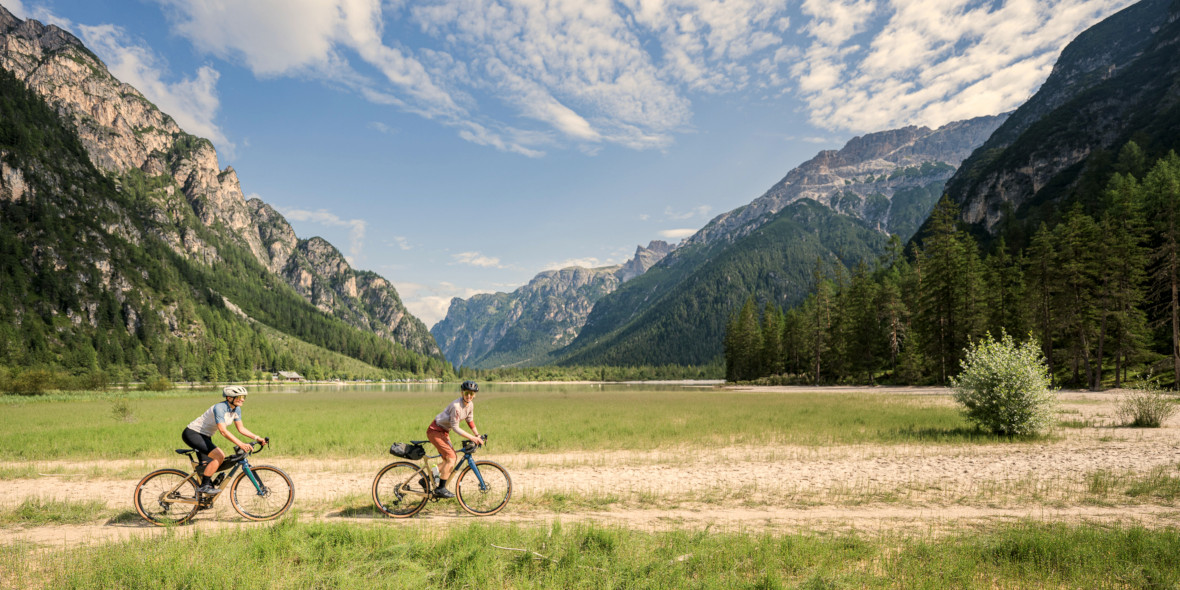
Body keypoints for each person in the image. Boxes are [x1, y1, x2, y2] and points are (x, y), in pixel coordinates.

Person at [182, 385, 267, 494]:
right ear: (229, 398)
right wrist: (241, 444)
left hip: (206, 436)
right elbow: (223, 431)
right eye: (239, 397)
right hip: (193, 433)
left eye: (243, 397)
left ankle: (202, 500)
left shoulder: (236, 409)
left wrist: (257, 438)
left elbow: (241, 428)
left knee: (208, 466)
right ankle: (204, 486)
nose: (242, 399)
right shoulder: (220, 408)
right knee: (219, 456)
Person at [426, 380, 483, 498]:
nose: (469, 396)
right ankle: (441, 489)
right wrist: (472, 437)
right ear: (462, 393)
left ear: (474, 395)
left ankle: (426, 479)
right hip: (435, 431)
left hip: (443, 432)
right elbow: (456, 428)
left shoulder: (470, 405)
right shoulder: (456, 406)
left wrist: (477, 435)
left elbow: (469, 420)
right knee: (451, 458)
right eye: (466, 393)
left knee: (450, 459)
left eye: (471, 394)